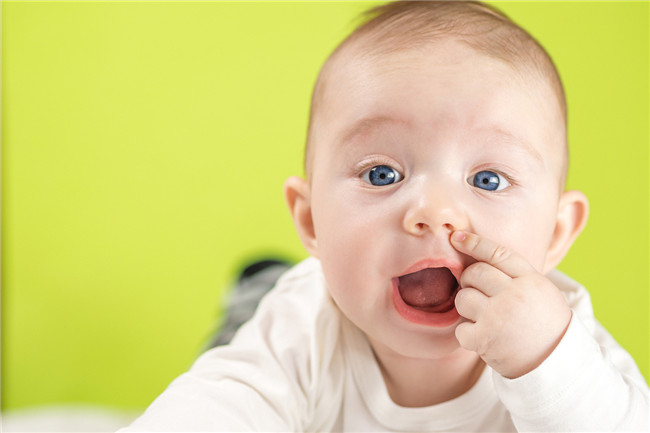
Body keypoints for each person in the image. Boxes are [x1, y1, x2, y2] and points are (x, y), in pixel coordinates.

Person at [120, 1, 650, 431]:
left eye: (488, 180)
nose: (433, 212)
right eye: (382, 174)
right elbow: (218, 405)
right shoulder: (305, 329)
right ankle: (257, 290)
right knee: (249, 330)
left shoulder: (565, 345)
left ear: (556, 234)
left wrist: (547, 367)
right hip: (288, 309)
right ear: (310, 222)